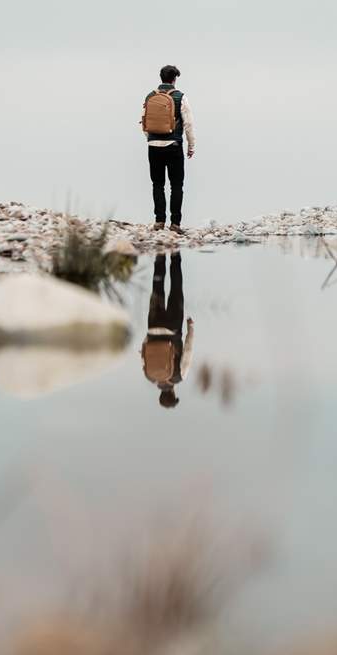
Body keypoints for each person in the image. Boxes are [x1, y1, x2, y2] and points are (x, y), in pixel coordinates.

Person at [141, 65, 196, 233]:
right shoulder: (180, 97)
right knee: (176, 185)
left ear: (161, 78)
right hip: (173, 146)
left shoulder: (150, 96)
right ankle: (175, 224)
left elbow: (144, 123)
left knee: (157, 184)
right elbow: (188, 124)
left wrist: (151, 139)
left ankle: (159, 221)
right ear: (174, 79)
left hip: (153, 146)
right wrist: (191, 146)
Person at [141, 253, 194, 408]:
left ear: (173, 394)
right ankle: (160, 256)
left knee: (176, 288)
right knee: (157, 288)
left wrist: (190, 327)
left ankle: (175, 256)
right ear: (160, 394)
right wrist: (149, 334)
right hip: (153, 327)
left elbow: (188, 351)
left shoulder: (179, 377)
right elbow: (144, 352)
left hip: (173, 328)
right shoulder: (149, 376)